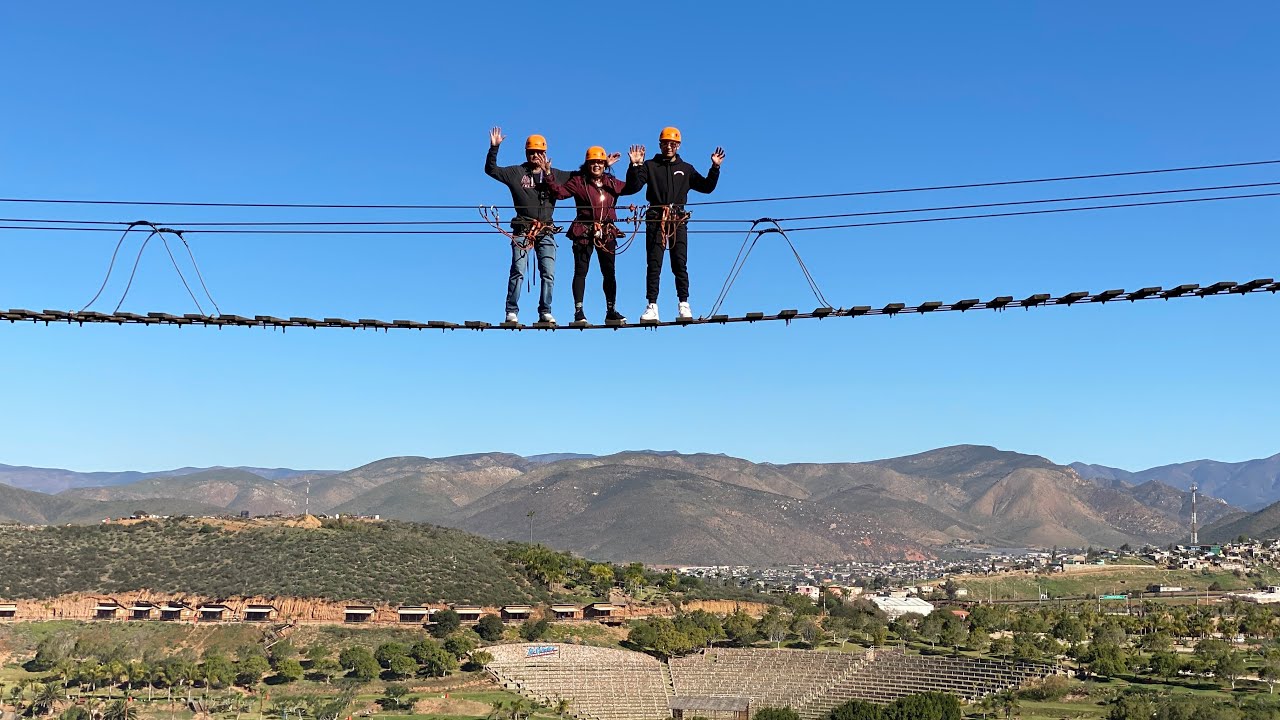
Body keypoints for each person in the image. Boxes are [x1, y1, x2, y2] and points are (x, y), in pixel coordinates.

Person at [624, 127, 725, 321]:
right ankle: (652, 305)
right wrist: (635, 166)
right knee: (654, 263)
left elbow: (706, 187)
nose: (669, 146)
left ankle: (684, 304)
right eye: (665, 143)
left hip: (677, 219)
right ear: (660, 145)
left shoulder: (686, 168)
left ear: (678, 146)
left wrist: (715, 168)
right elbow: (633, 187)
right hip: (655, 218)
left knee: (679, 262)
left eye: (673, 143)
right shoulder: (650, 165)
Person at [541, 145, 638, 324]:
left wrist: (634, 166)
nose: (596, 166)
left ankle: (611, 310)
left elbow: (632, 187)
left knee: (609, 272)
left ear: (604, 164)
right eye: (593, 163)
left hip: (607, 232)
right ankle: (579, 311)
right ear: (587, 164)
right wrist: (548, 174)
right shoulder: (579, 181)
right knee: (581, 272)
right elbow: (559, 193)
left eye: (600, 163)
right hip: (583, 232)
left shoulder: (611, 182)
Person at [485, 127, 570, 324]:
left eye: (539, 152)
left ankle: (545, 310)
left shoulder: (556, 174)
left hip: (546, 229)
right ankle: (511, 310)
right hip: (523, 229)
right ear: (526, 153)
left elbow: (580, 176)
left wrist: (601, 165)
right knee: (518, 270)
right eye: (532, 152)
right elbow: (491, 170)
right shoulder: (517, 173)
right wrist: (494, 148)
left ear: (545, 154)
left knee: (548, 272)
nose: (535, 156)